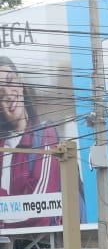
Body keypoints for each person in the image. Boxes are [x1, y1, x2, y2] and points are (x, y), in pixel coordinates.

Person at [0, 56, 63, 230]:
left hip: (47, 247)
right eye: (0, 93)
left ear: (20, 82)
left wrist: (4, 218)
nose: (8, 96)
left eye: (10, 81)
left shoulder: (45, 133)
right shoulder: (2, 146)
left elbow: (42, 209)